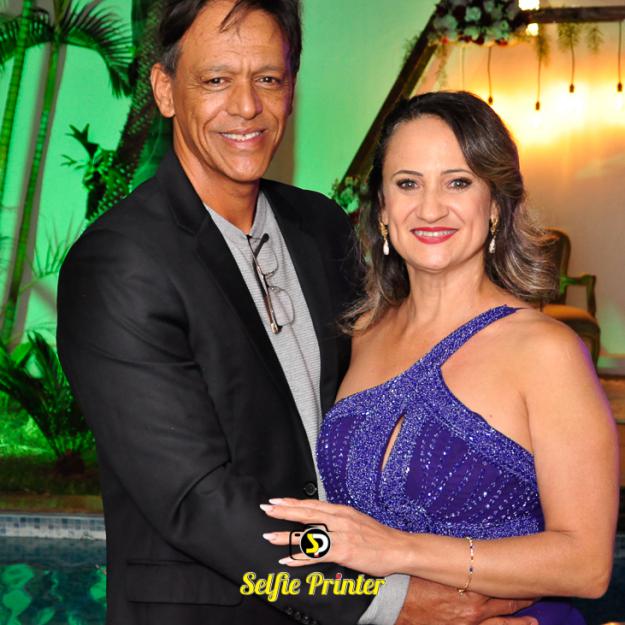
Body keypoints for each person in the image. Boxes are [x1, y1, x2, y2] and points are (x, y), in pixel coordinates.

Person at [57, 0, 540, 622]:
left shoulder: (318, 226)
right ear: (166, 90)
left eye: (268, 78)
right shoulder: (122, 262)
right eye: (215, 79)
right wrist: (390, 603)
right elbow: (196, 501)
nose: (246, 106)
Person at [261, 91, 620, 625]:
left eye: (458, 182)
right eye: (408, 183)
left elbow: (586, 565)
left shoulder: (546, 351)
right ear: (383, 209)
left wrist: (400, 550)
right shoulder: (362, 332)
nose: (430, 209)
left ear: (495, 205)